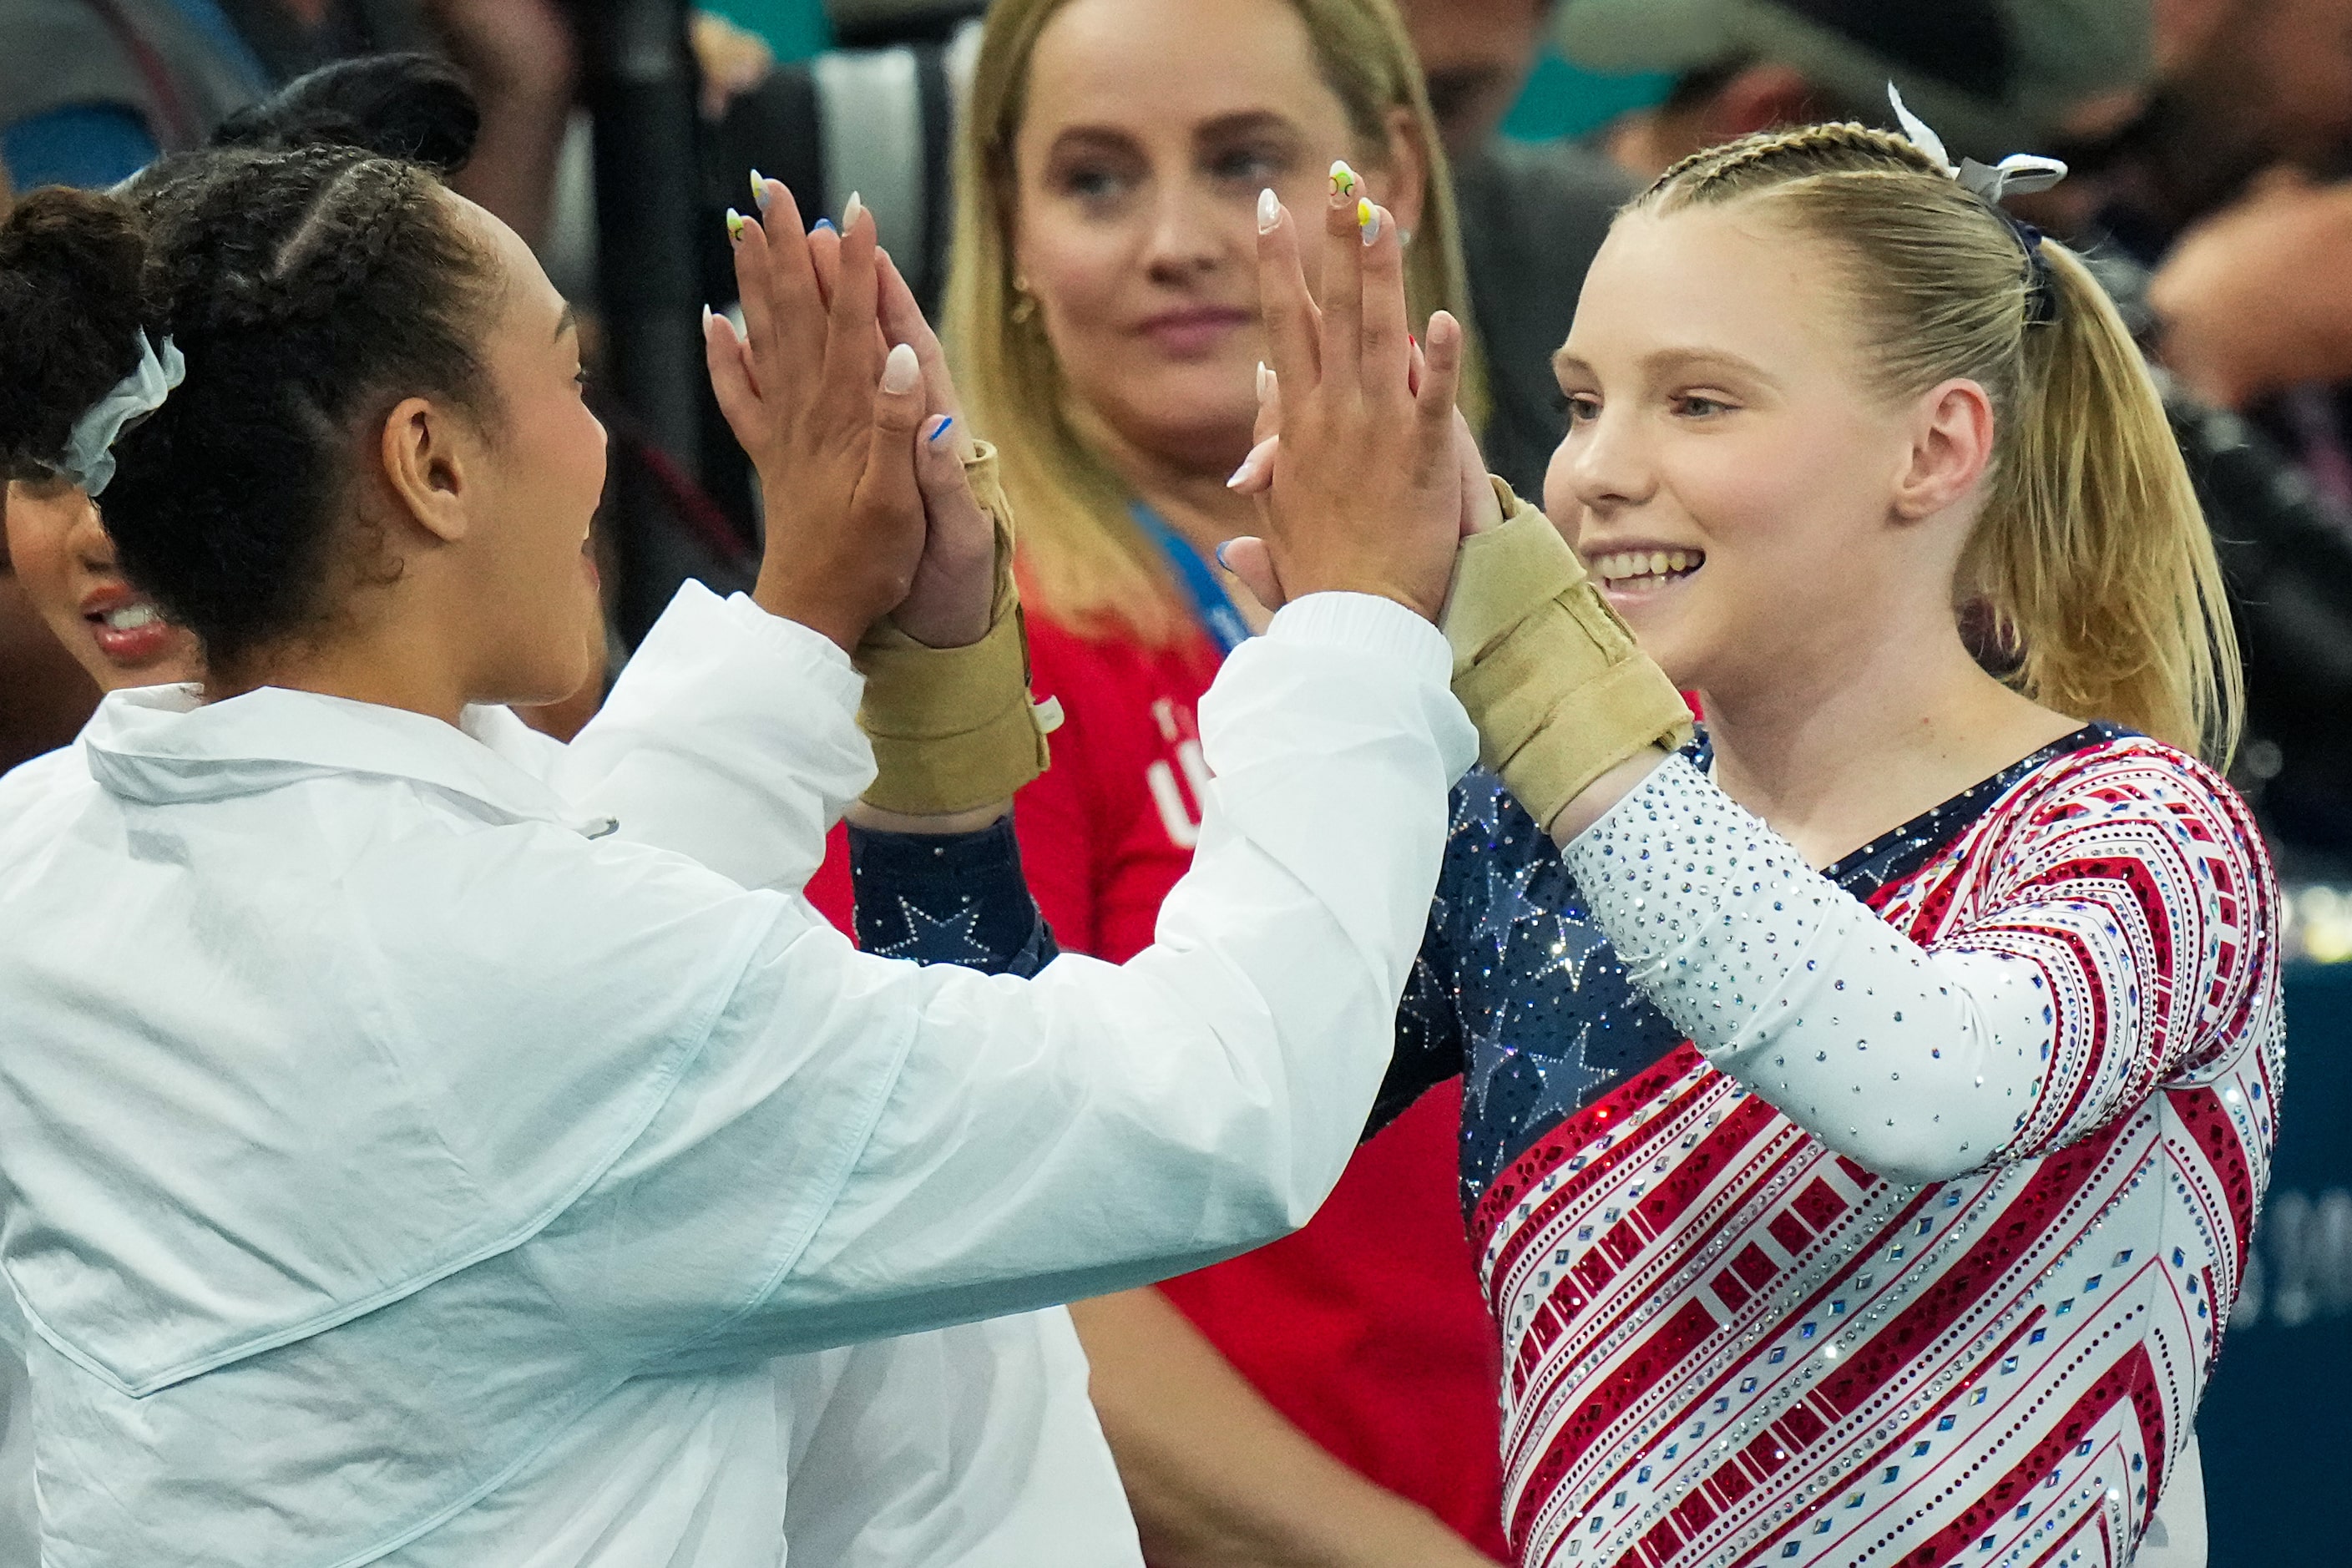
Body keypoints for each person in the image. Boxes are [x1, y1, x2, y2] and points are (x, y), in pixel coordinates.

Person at [0, 78, 1525, 1556]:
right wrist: (1349, 623)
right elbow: (1213, 1108)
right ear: (434, 463)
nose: (604, 446)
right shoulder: (533, 981)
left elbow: (547, 965)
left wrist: (815, 607)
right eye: (570, 375)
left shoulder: (42, 865)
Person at [888, 106, 2284, 1568]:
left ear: (1934, 446)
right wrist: (930, 723)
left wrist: (1524, 665)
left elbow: (1922, 1083)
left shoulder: (2141, 836)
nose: (1595, 473)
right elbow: (1075, 1151)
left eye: (1696, 402)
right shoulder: (1521, 842)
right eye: (1575, 403)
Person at [801, 0, 1511, 1560]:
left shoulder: (1566, 594)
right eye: (1098, 180)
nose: (1176, 241)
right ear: (1012, 233)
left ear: (1389, 166)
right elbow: (975, 1248)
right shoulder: (963, 656)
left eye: (1246, 162)